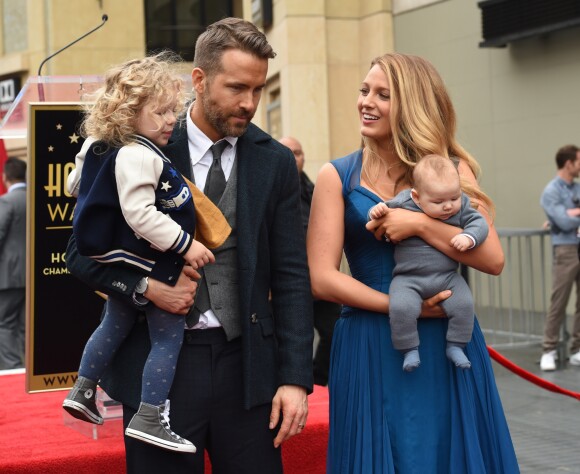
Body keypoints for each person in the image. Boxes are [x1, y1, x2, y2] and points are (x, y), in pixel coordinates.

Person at [65, 17, 313, 474]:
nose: (250, 103)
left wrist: (296, 378)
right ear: (197, 80)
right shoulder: (132, 146)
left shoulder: (275, 161)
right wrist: (146, 288)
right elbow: (80, 252)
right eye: (237, 87)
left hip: (248, 369)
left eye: (258, 90)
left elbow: (293, 274)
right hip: (158, 374)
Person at [307, 53, 519, 473]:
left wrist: (420, 224)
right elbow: (322, 278)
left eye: (383, 95)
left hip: (445, 342)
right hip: (369, 341)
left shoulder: (451, 173)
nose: (367, 102)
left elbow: (493, 259)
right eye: (364, 91)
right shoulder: (338, 175)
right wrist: (399, 306)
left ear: (413, 106)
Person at [62, 53, 220, 453]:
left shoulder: (101, 144)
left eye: (175, 110)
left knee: (113, 325)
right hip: (153, 262)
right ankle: (150, 415)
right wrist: (188, 244)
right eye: (162, 111)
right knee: (167, 339)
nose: (172, 119)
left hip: (119, 262)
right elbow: (140, 214)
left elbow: (72, 185)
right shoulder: (140, 154)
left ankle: (82, 389)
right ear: (131, 113)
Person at [368, 154, 488, 372]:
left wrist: (469, 237)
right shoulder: (405, 202)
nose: (448, 206)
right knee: (401, 307)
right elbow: (382, 211)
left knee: (464, 305)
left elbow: (479, 223)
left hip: (447, 278)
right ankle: (409, 349)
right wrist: (376, 210)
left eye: (454, 197)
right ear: (417, 197)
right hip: (408, 278)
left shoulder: (461, 208)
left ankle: (456, 345)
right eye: (438, 201)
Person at [279, 136, 341, 386]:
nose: (294, 158)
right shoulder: (270, 187)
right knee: (292, 337)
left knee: (335, 330)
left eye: (298, 152)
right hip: (286, 280)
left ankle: (319, 380)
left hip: (316, 277)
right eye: (288, 153)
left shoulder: (314, 188)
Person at [539, 144, 580, 371]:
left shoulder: (577, 188)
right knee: (559, 301)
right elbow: (563, 223)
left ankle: (577, 349)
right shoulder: (551, 191)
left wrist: (570, 213)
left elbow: (563, 219)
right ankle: (549, 350)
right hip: (565, 250)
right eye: (578, 161)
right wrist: (567, 216)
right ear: (569, 163)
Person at [0, 157, 27, 370]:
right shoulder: (35, 199)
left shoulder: (7, 201)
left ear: (5, 176)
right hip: (33, 274)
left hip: (9, 274)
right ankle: (28, 366)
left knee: (5, 322)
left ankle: (12, 368)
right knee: (25, 324)